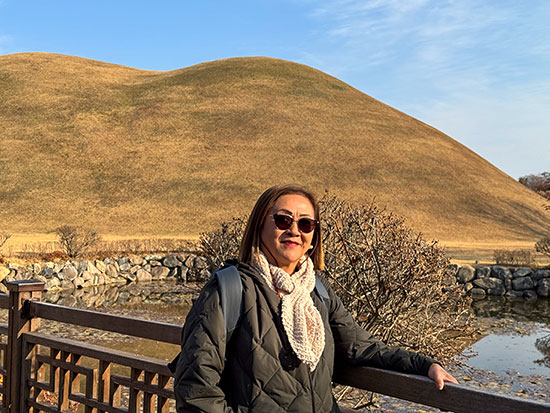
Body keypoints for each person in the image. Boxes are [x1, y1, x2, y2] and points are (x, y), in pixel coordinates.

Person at [174, 184, 457, 412]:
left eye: (306, 224)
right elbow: (196, 387)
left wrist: (424, 365)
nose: (294, 230)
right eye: (283, 220)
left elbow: (362, 347)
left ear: (314, 235)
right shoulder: (228, 289)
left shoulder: (317, 291)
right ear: (259, 225)